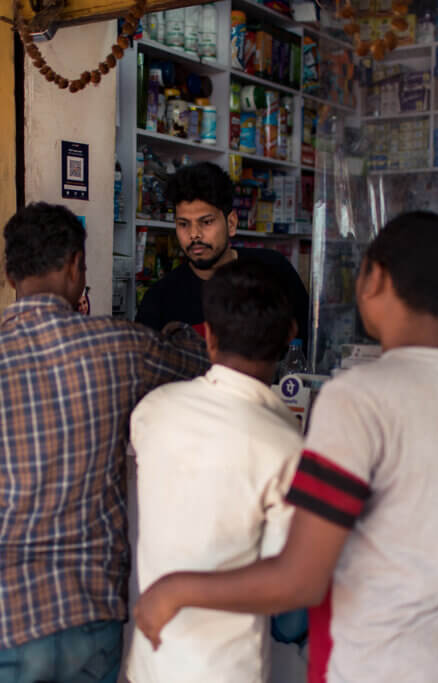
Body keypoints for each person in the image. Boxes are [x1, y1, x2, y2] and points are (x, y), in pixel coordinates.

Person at [134, 211, 438, 682]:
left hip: (372, 665)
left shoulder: (356, 397)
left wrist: (176, 590)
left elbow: (300, 580)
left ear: (371, 279)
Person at [0, 202, 209, 683]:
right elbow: (199, 360)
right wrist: (177, 331)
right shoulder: (121, 346)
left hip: (0, 616)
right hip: (88, 613)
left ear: (11, 273)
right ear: (77, 266)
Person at [126, 260, 302, 683]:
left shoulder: (152, 411)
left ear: (210, 338)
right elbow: (288, 601)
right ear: (290, 336)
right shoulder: (286, 449)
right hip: (228, 670)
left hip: (150, 662)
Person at [135, 162, 309, 349]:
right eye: (183, 224)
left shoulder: (273, 270)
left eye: (206, 222)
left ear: (231, 223)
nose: (194, 234)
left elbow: (309, 343)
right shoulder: (160, 299)